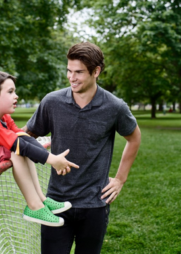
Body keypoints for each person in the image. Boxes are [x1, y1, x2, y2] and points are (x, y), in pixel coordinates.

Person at [22, 42, 141, 253]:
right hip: (55, 203)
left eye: (79, 72)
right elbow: (25, 136)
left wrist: (121, 178)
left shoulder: (115, 107)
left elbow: (134, 138)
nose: (71, 77)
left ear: (96, 71)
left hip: (95, 203)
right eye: (69, 70)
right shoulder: (52, 102)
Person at [0, 70, 79, 227]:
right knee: (14, 150)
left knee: (21, 146)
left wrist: (50, 156)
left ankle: (41, 200)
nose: (16, 96)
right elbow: (17, 145)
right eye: (10, 92)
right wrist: (51, 160)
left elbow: (25, 138)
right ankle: (34, 206)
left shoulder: (3, 117)